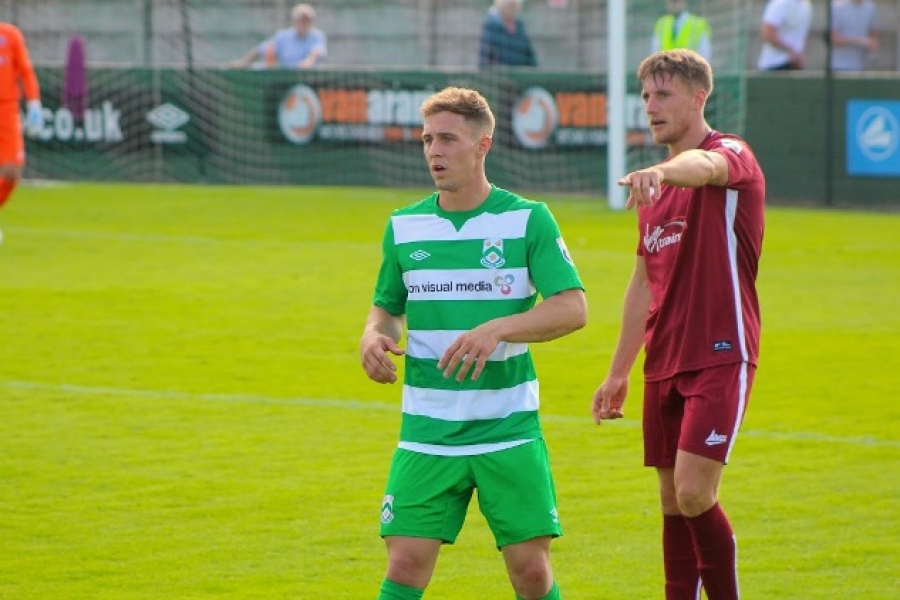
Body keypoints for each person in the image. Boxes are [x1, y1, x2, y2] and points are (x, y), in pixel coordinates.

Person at [360, 86, 586, 600]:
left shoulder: (527, 219)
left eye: (447, 139)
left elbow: (573, 307)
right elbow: (387, 308)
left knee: (530, 572)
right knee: (404, 563)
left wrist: (498, 328)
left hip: (508, 426)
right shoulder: (405, 226)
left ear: (483, 145)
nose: (434, 151)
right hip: (427, 427)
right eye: (427, 140)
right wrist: (373, 336)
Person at [592, 49, 765, 600]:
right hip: (663, 360)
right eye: (645, 96)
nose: (650, 106)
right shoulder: (652, 192)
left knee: (694, 492)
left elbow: (706, 169)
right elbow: (642, 283)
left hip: (719, 352)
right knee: (671, 502)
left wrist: (662, 171)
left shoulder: (730, 153)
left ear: (698, 97)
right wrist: (618, 372)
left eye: (663, 94)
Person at [0, 21, 43, 241]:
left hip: (7, 109)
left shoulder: (10, 34)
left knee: (11, 172)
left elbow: (25, 70)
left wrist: (34, 103)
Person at [227, 3, 326, 69]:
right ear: (294, 21)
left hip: (308, 79)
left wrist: (308, 62)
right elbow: (262, 49)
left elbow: (315, 52)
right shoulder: (283, 37)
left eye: (307, 20)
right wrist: (243, 63)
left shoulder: (317, 36)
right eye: (301, 20)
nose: (304, 23)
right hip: (285, 79)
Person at [479, 0, 538, 68]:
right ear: (502, 6)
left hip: (519, 71)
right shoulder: (491, 25)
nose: (514, 9)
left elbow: (529, 53)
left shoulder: (520, 25)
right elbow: (485, 55)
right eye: (511, 6)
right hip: (500, 72)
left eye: (515, 6)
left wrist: (535, 70)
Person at [757, 0, 812, 70]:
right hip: (775, 65)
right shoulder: (779, 3)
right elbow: (767, 34)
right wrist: (791, 52)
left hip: (793, 64)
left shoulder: (806, 5)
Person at [830, 0, 879, 71]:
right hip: (839, 67)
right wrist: (860, 41)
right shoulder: (837, 7)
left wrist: (872, 47)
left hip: (861, 67)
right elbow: (833, 39)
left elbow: (874, 37)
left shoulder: (871, 7)